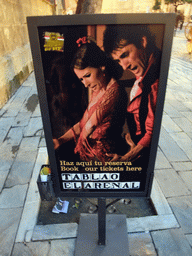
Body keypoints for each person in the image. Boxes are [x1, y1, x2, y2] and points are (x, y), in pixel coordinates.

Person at [53, 39, 128, 163]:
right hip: (91, 158)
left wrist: (75, 144)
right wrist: (60, 140)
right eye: (81, 79)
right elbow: (83, 123)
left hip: (108, 161)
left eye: (87, 76)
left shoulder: (114, 90)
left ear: (102, 67)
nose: (85, 84)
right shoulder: (98, 90)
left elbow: (90, 125)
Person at [103, 25, 161, 164]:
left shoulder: (155, 83)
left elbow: (153, 133)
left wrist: (127, 158)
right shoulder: (147, 65)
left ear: (142, 42)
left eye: (125, 55)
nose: (124, 66)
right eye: (118, 60)